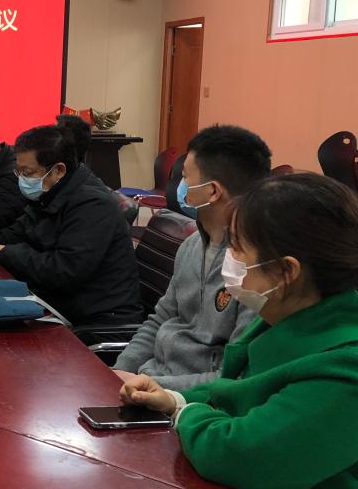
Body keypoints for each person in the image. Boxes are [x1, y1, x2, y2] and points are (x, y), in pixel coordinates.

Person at [120, 173, 358, 489]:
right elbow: (231, 393)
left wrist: (186, 413)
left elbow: (239, 454)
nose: (229, 261)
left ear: (286, 271)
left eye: (238, 249)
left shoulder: (345, 366)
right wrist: (174, 398)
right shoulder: (281, 316)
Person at [0, 125, 140, 328]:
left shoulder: (92, 205)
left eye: (27, 173)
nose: (21, 180)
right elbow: (8, 236)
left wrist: (6, 253)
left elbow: (64, 270)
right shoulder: (48, 194)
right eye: (18, 172)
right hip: (54, 300)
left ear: (58, 170)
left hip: (93, 318)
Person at [113, 125, 272, 389]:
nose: (177, 186)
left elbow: (235, 377)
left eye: (184, 177)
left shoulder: (256, 269)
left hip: (189, 399)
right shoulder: (191, 245)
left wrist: (154, 386)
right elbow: (160, 319)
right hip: (149, 381)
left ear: (213, 191)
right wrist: (118, 373)